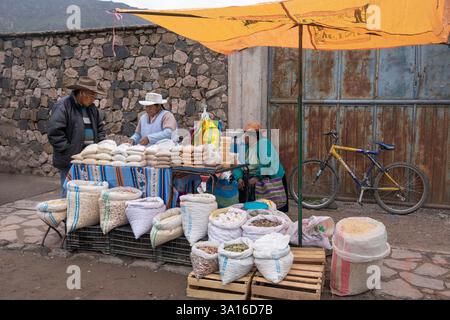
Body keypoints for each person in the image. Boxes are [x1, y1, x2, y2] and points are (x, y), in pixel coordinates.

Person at [47, 76, 107, 197]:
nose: (94, 99)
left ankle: (78, 215)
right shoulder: (63, 105)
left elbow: (100, 128)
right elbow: (55, 132)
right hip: (70, 159)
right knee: (68, 191)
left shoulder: (92, 109)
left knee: (84, 193)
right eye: (92, 96)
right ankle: (66, 215)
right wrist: (69, 150)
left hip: (88, 159)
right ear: (82, 93)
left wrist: (101, 146)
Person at [232, 122, 289, 212]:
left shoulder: (263, 144)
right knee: (254, 210)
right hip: (252, 181)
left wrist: (257, 177)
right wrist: (238, 178)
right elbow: (238, 163)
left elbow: (267, 164)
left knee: (272, 208)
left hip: (270, 180)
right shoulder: (244, 147)